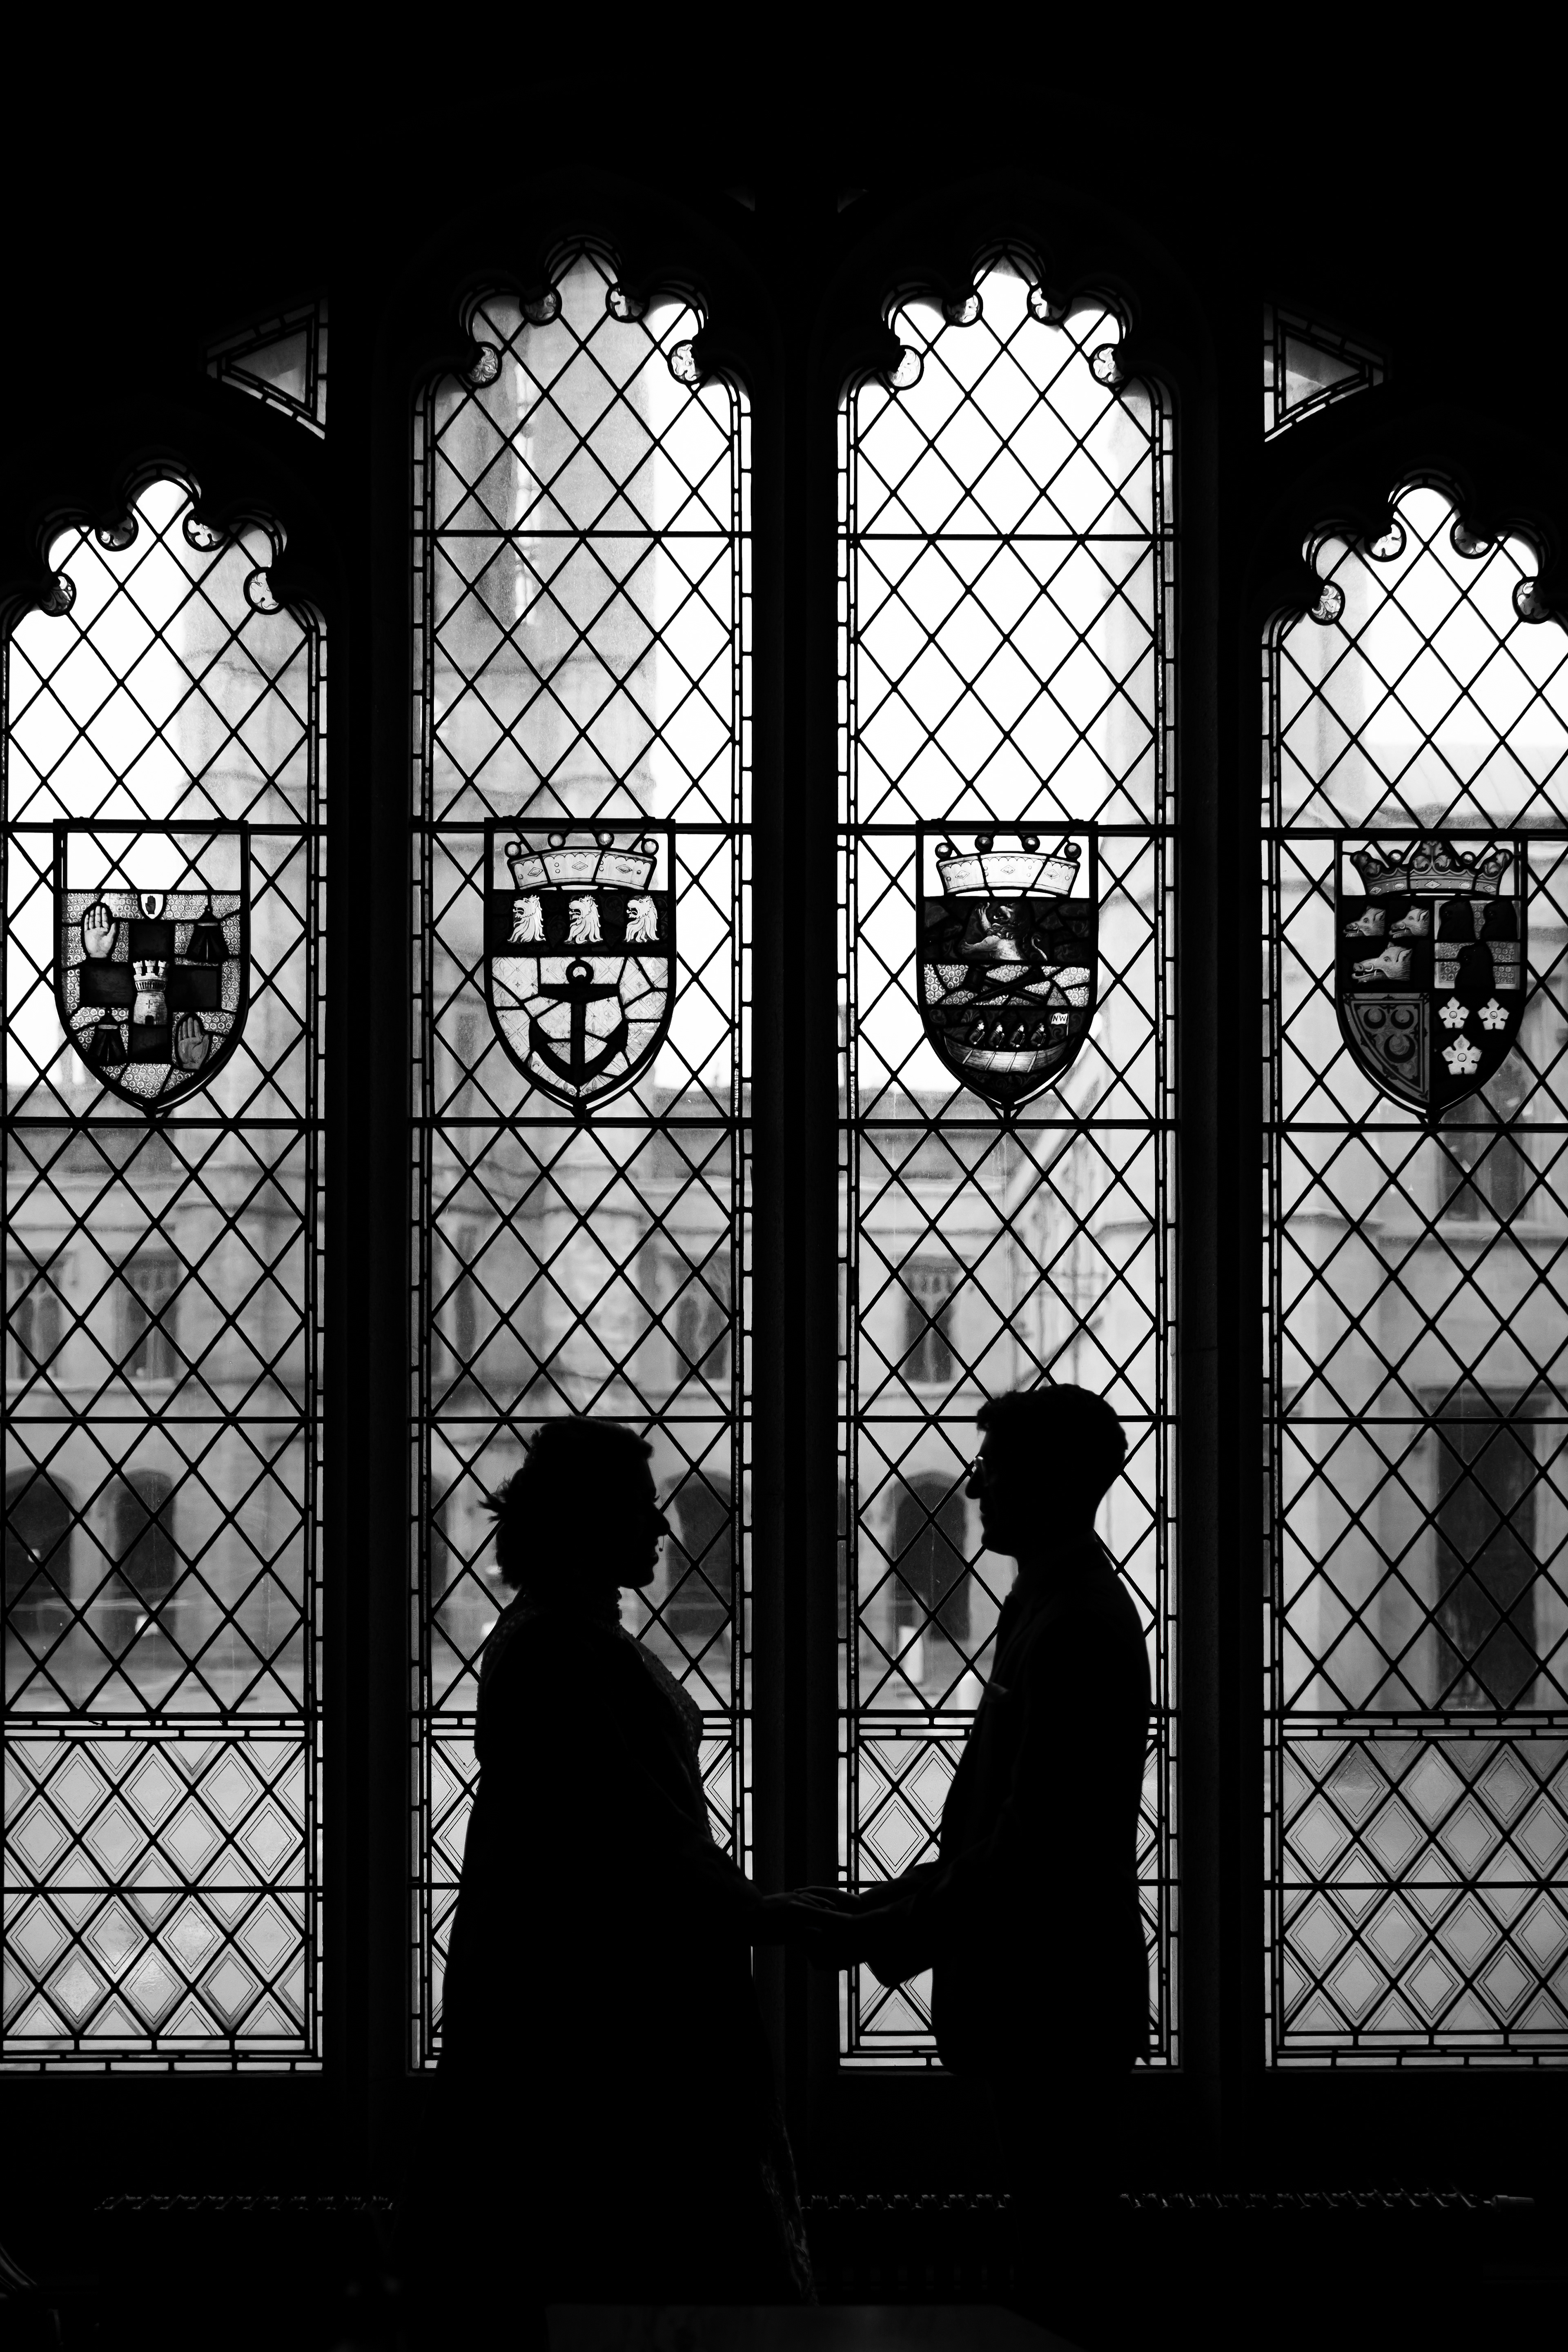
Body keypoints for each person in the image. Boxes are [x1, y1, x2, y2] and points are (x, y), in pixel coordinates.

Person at [433, 1417, 821, 2313]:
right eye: (642, 1510)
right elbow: (635, 1836)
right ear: (586, 1521)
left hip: (593, 1982)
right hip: (608, 2002)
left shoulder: (558, 1636)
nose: (663, 1529)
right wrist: (764, 1911)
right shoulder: (563, 1648)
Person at [800, 1384, 1150, 2346]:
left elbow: (1030, 1843)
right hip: (1052, 1985)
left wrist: (887, 1923)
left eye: (995, 1465)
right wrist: (890, 1907)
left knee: (1064, 2258)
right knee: (1060, 2242)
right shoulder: (1052, 1597)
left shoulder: (1070, 1618)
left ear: (1051, 1479)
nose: (976, 1482)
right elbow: (1010, 1830)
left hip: (1055, 1992)